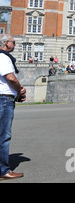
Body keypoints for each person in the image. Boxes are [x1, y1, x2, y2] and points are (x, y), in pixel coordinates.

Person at [0, 34, 26, 180]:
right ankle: (3, 170)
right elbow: (10, 78)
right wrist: (19, 89)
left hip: (3, 98)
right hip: (4, 99)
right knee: (4, 136)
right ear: (6, 43)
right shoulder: (3, 57)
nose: (15, 45)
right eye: (13, 42)